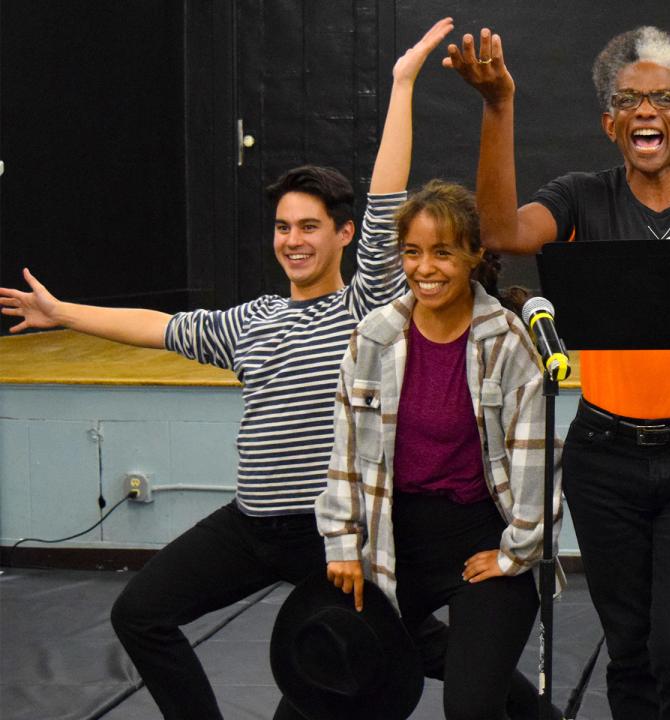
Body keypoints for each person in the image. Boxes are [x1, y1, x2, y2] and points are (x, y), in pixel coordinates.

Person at [0, 20, 453, 719]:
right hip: (249, 527)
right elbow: (157, 328)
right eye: (282, 227)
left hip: (323, 533)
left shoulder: (366, 307)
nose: (292, 240)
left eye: (308, 226)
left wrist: (400, 83)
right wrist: (64, 313)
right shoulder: (250, 321)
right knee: (140, 615)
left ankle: (528, 710)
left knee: (411, 648)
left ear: (344, 234)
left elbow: (390, 194)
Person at [445, 25, 670, 719]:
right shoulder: (580, 198)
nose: (644, 110)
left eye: (661, 98)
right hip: (604, 458)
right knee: (628, 650)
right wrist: (498, 106)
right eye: (628, 100)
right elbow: (501, 232)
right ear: (609, 123)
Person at [315, 178, 561, 719]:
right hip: (395, 538)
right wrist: (341, 544)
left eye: (443, 253)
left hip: (480, 538)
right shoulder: (375, 337)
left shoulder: (506, 342)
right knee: (322, 681)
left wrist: (516, 550)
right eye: (413, 252)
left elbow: (535, 461)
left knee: (471, 709)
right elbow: (346, 456)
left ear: (474, 256)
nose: (425, 268)